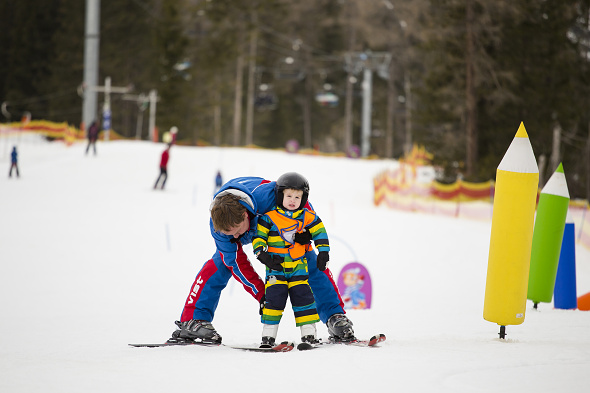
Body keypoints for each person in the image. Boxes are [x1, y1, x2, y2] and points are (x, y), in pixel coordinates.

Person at [168, 174, 355, 345]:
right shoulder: (219, 227)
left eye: (238, 232)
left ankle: (335, 316)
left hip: (280, 230)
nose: (236, 237)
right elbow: (236, 262)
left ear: (244, 214)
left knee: (309, 260)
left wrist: (305, 232)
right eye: (230, 235)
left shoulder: (271, 196)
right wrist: (262, 294)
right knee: (221, 264)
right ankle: (193, 319)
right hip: (253, 228)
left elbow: (300, 204)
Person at [253, 173, 329, 347]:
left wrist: (323, 251)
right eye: (289, 196)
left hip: (298, 268)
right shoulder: (269, 217)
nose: (293, 200)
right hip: (276, 268)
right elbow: (259, 237)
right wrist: (261, 254)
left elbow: (320, 231)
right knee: (273, 301)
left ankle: (309, 334)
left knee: (304, 299)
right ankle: (268, 337)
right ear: (280, 196)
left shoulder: (306, 216)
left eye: (297, 197)